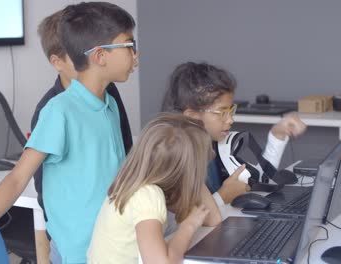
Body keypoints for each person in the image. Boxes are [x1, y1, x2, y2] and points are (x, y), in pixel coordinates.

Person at [0, 2, 139, 263]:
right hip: (80, 254)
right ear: (100, 56)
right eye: (129, 46)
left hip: (115, 243)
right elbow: (17, 178)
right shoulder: (60, 111)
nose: (136, 55)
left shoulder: (109, 104)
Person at [32, 8, 133, 221]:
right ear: (57, 62)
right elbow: (41, 187)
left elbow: (125, 150)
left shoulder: (109, 94)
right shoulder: (51, 109)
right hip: (79, 233)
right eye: (76, 55)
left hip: (114, 220)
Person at [162, 62, 307, 208]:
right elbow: (183, 221)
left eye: (231, 111)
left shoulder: (215, 146)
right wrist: (222, 197)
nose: (231, 119)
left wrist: (277, 135)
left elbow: (258, 178)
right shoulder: (175, 161)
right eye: (222, 112)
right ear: (192, 116)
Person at [87, 113, 222, 264]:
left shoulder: (137, 184)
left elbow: (213, 219)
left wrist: (193, 173)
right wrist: (188, 226)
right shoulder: (147, 195)